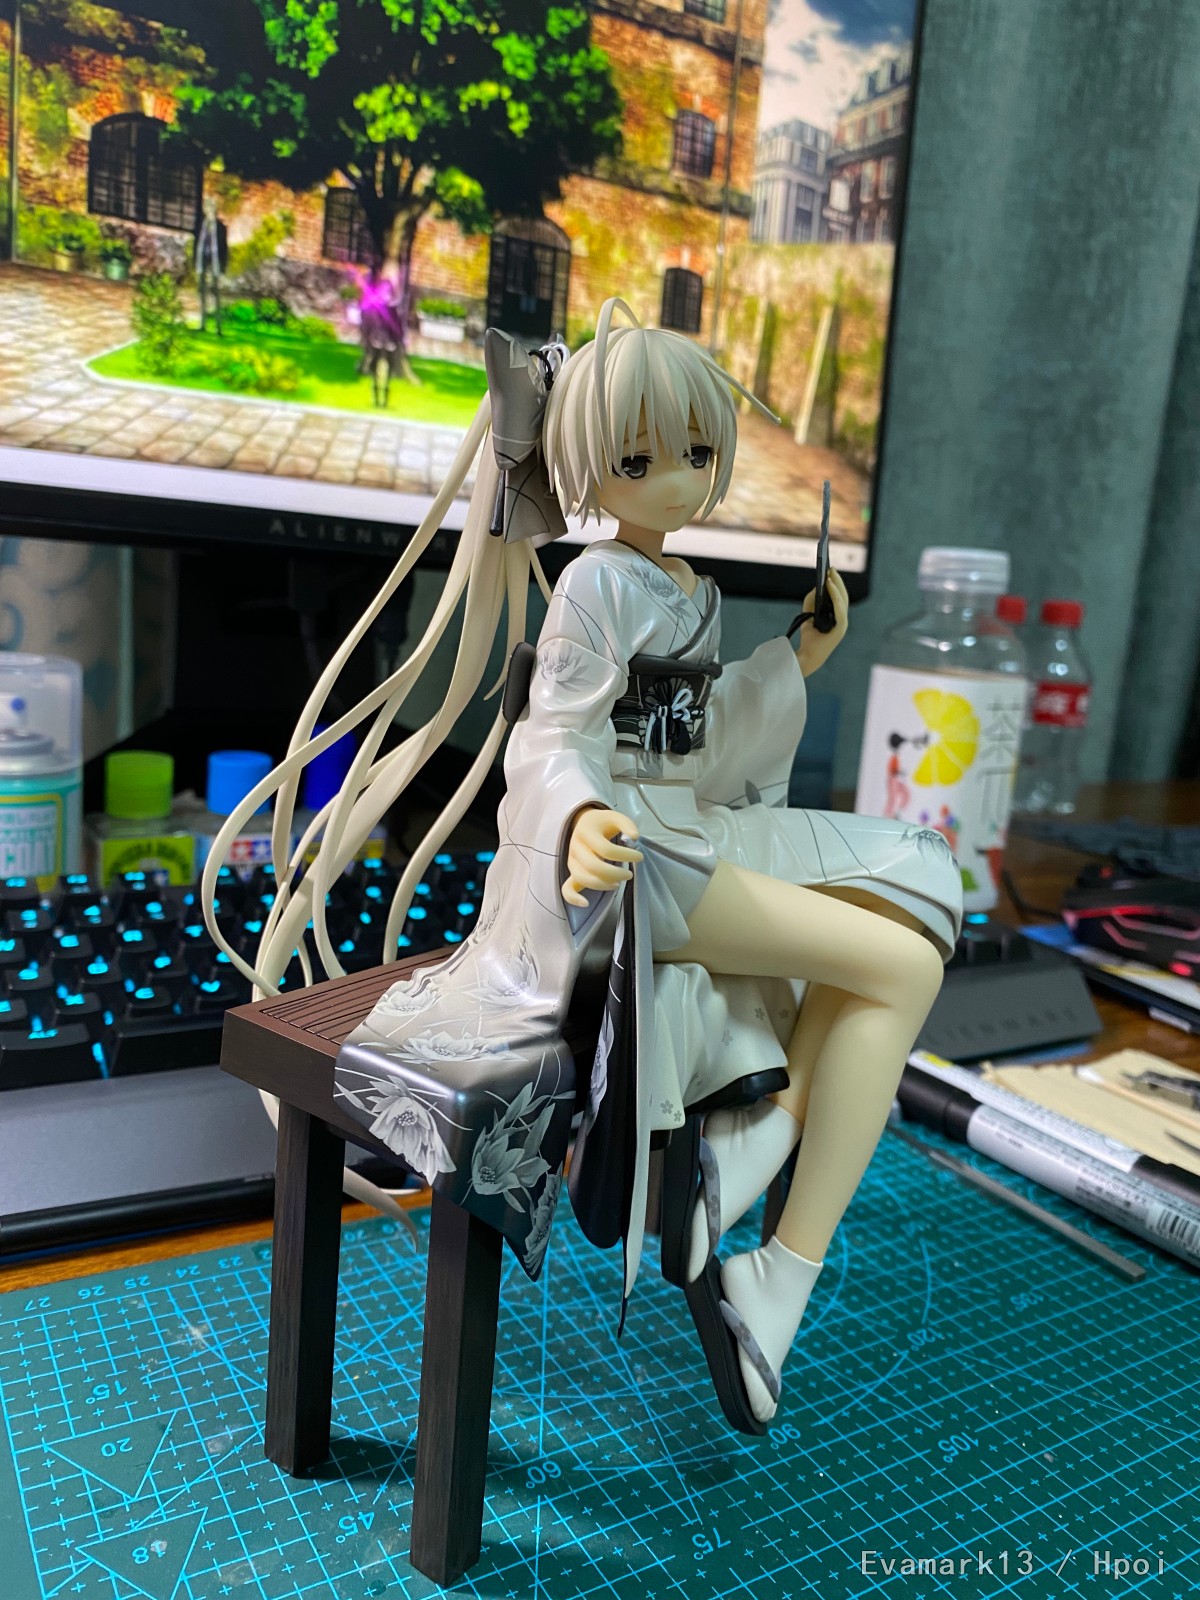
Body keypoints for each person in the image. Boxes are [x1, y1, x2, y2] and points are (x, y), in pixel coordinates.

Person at [201, 298, 963, 1434]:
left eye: (697, 451)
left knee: (911, 903)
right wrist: (579, 818)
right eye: (640, 460)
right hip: (633, 864)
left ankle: (759, 1197)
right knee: (900, 965)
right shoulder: (596, 584)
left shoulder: (688, 590)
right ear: (588, 466)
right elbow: (549, 736)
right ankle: (772, 1243)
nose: (679, 479)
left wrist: (793, 660)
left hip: (688, 831)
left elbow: (701, 744)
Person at [194, 196, 228, 335]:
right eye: (206, 207)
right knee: (202, 292)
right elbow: (197, 244)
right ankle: (202, 324)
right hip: (203, 260)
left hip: (215, 261)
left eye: (211, 207)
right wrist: (195, 263)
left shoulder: (221, 227)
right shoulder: (200, 225)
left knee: (216, 294)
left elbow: (224, 248)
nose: (208, 209)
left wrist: (223, 268)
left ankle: (218, 328)